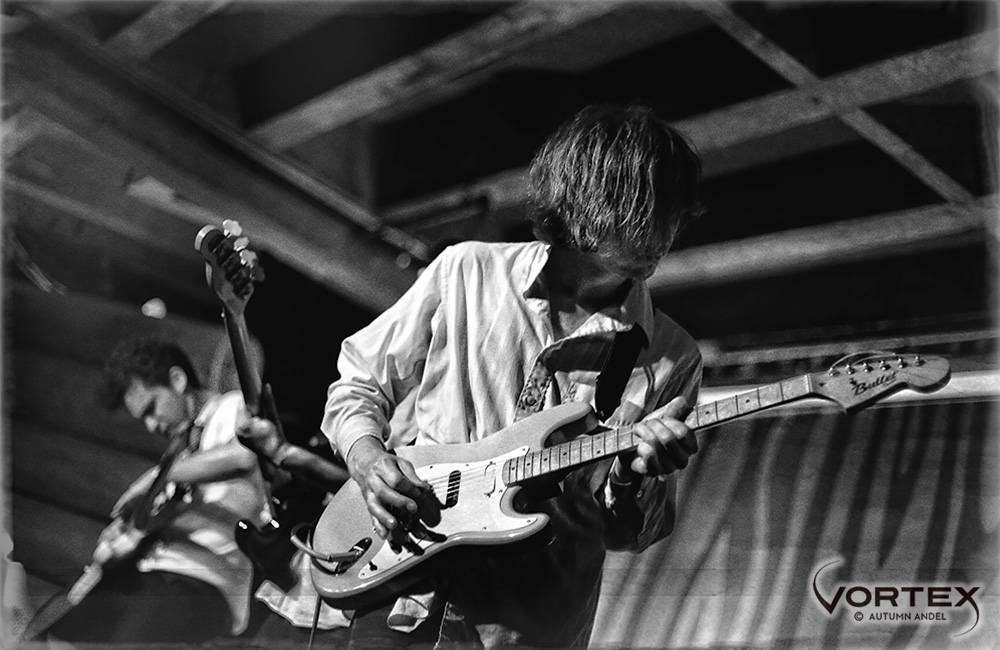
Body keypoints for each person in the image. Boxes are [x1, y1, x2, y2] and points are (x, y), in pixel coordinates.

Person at [320, 103, 706, 649]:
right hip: (404, 595)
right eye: (653, 205)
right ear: (587, 199)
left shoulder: (672, 355)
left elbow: (631, 535)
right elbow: (360, 379)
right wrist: (367, 458)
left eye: (675, 210)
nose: (669, 228)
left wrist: (632, 478)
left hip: (525, 629)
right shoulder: (466, 270)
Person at [46, 337, 272, 645]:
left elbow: (245, 455)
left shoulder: (231, 407)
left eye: (152, 408)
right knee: (55, 637)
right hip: (146, 574)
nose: (152, 425)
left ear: (177, 380)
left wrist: (155, 479)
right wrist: (118, 541)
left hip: (201, 582)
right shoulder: (176, 455)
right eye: (143, 419)